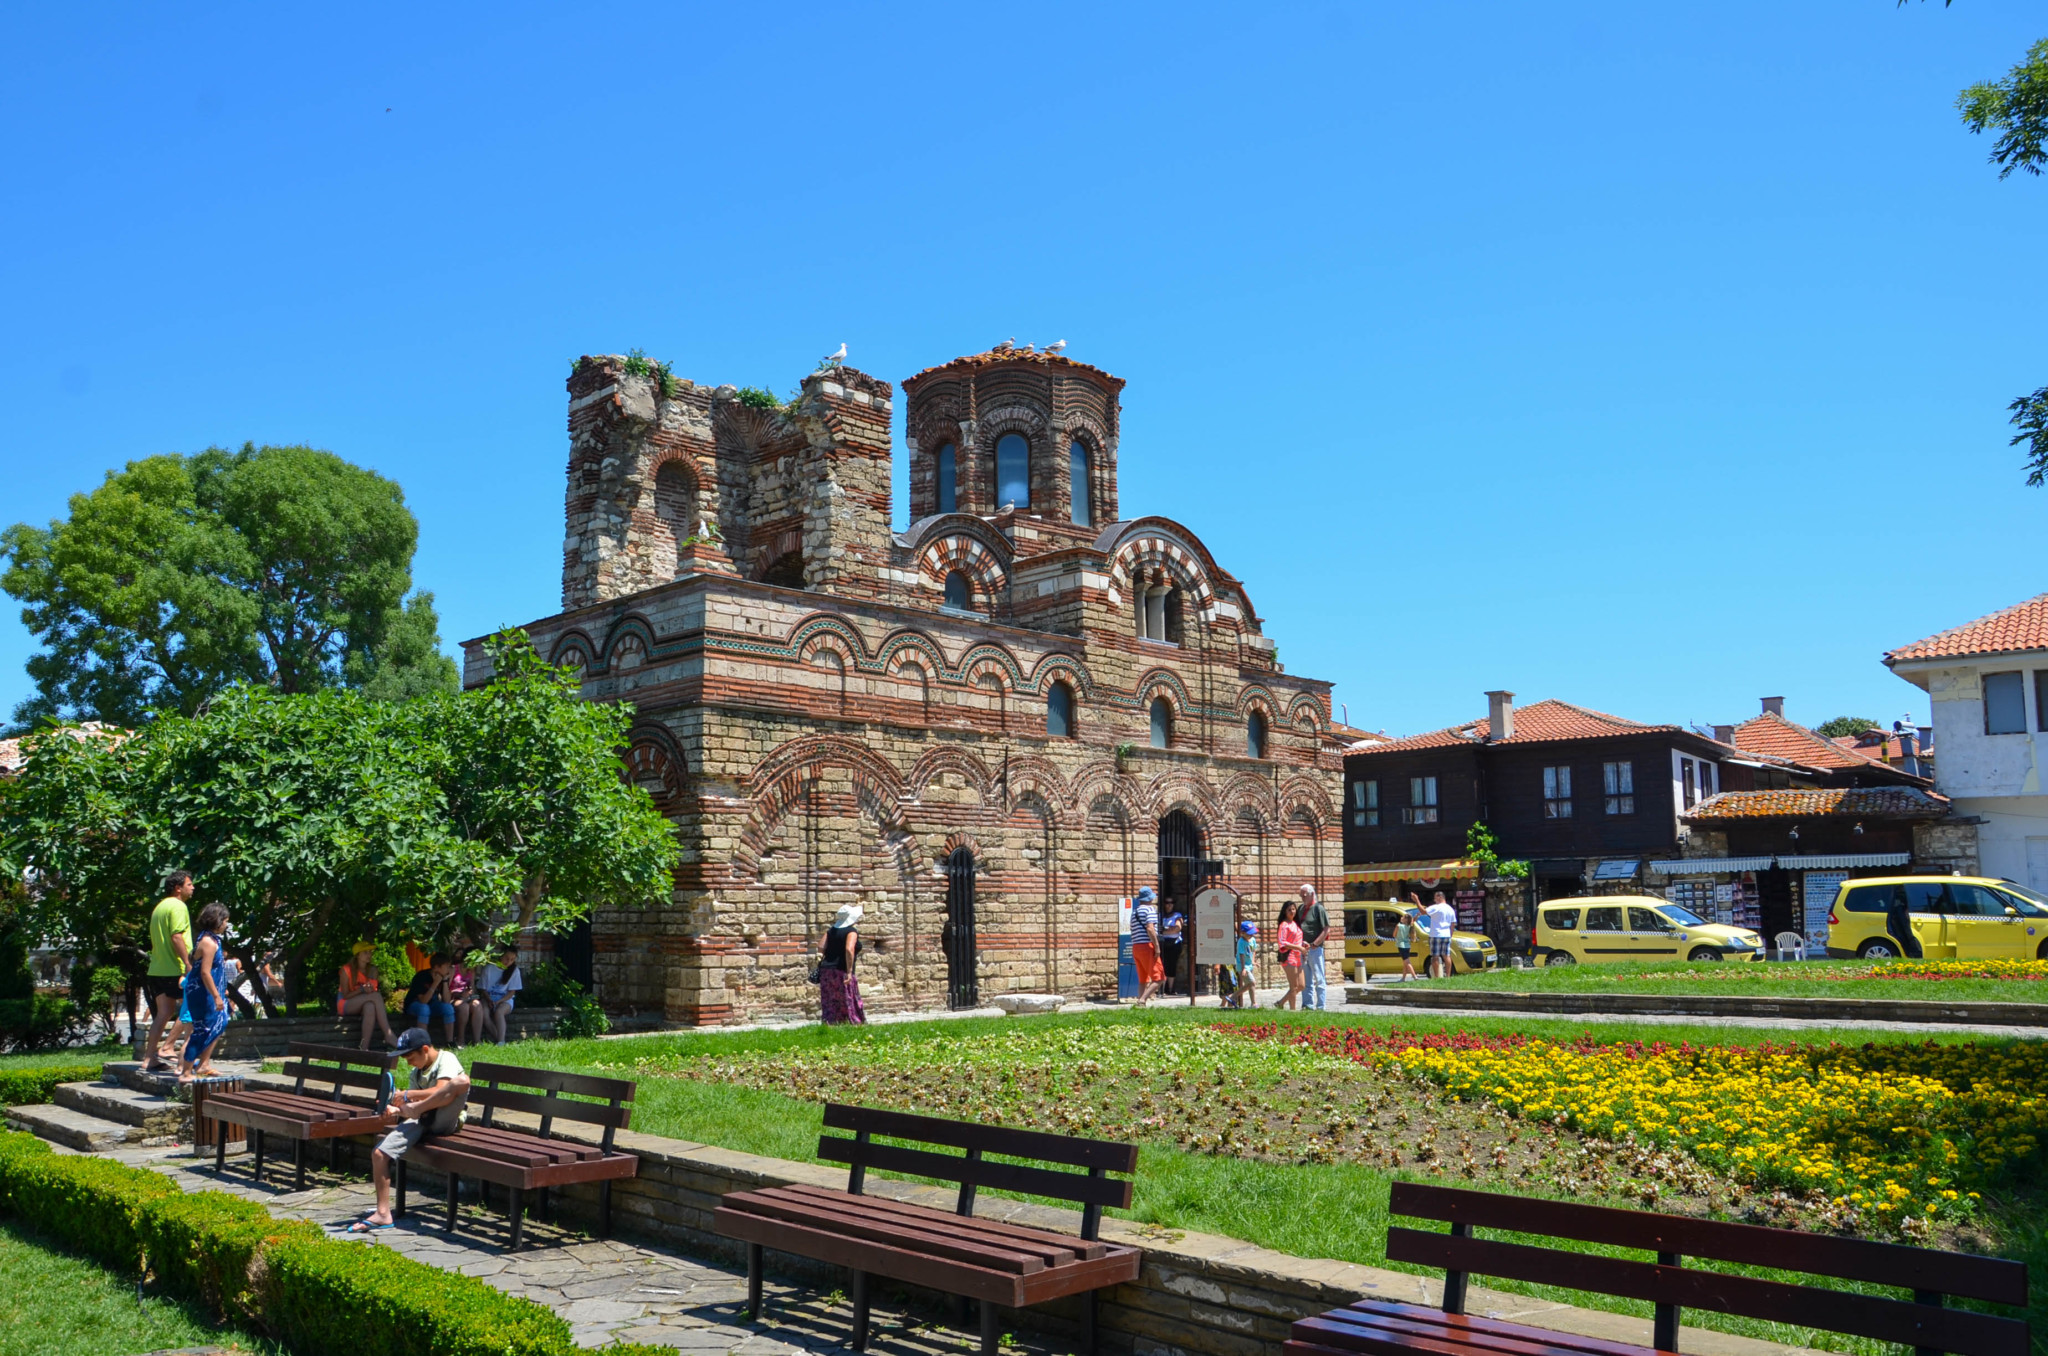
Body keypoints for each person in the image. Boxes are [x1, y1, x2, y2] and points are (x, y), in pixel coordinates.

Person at [352, 1027, 470, 1233]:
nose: (408, 1063)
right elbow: (411, 1107)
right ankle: (382, 1213)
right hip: (423, 1119)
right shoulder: (417, 1073)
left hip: (446, 1120)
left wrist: (408, 1097)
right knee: (379, 1154)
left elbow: (442, 1091)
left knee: (461, 1081)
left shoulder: (446, 1059)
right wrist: (396, 1111)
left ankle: (416, 1110)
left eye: (410, 1057)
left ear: (425, 1049)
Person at [142, 872, 196, 1073]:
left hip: (157, 968)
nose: (193, 888)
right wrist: (187, 964)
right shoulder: (178, 906)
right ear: (178, 888)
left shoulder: (160, 907)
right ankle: (168, 1047)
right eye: (189, 884)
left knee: (163, 1013)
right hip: (175, 968)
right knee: (193, 1007)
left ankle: (149, 1058)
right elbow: (176, 936)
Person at [179, 903, 232, 1083]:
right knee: (202, 1029)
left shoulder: (214, 939)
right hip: (203, 993)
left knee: (221, 1022)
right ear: (217, 920)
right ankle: (186, 1071)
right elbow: (204, 972)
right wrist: (216, 996)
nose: (226, 925)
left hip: (213, 991)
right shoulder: (208, 942)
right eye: (225, 921)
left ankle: (203, 1064)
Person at [338, 942, 395, 1049]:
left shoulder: (373, 970)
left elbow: (372, 990)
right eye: (365, 952)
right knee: (376, 997)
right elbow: (345, 995)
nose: (369, 955)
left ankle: (364, 1046)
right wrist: (362, 989)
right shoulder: (346, 970)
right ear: (358, 955)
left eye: (370, 952)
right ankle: (388, 1034)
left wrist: (366, 990)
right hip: (346, 1003)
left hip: (365, 1000)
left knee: (370, 1006)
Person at [818, 903, 867, 1025]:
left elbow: (820, 947)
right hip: (841, 970)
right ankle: (852, 1022)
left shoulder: (831, 931)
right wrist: (849, 971)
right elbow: (849, 949)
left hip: (827, 970)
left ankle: (831, 1022)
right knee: (847, 998)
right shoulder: (851, 931)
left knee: (831, 999)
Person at [403, 951, 457, 1046]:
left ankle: (450, 1041)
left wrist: (445, 982)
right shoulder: (421, 976)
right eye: (447, 966)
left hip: (432, 1004)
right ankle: (423, 1043)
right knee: (424, 1008)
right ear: (436, 967)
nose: (449, 969)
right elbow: (423, 1001)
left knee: (448, 1008)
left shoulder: (443, 977)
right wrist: (435, 983)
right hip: (415, 1005)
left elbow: (447, 1001)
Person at [478, 946, 523, 1044]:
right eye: (507, 958)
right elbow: (483, 988)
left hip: (505, 999)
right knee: (484, 1014)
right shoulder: (489, 968)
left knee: (499, 1012)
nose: (508, 962)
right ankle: (498, 1039)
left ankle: (501, 1040)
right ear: (501, 956)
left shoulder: (514, 971)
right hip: (488, 997)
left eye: (512, 959)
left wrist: (499, 1001)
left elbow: (512, 992)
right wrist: (489, 1000)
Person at [1297, 884, 1330, 1011]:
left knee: (1319, 977)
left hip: (1315, 949)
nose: (1302, 898)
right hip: (1303, 949)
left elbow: (1326, 928)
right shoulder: (1301, 909)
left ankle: (1321, 1006)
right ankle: (1307, 1004)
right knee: (1306, 978)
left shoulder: (1318, 909)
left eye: (1304, 895)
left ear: (1311, 894)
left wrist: (1315, 943)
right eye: (1301, 896)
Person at [1130, 888, 1165, 1004]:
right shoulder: (1149, 909)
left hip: (1136, 946)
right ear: (1150, 898)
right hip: (1147, 946)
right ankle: (1142, 999)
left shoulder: (1135, 912)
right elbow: (1150, 928)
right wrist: (1157, 946)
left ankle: (1140, 1006)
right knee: (1159, 977)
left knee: (1143, 979)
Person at [1275, 901, 1305, 1009]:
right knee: (1294, 986)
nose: (1292, 911)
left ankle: (1281, 1003)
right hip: (1289, 956)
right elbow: (1282, 942)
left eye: (1293, 909)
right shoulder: (1284, 925)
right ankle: (1293, 1010)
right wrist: (1299, 948)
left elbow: (1296, 939)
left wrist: (1303, 944)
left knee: (1301, 985)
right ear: (1285, 912)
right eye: (1289, 910)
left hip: (1298, 956)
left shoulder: (1295, 924)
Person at [1885, 885, 1924, 959]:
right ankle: (1915, 952)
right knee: (1908, 935)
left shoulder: (1902, 897)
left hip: (1905, 917)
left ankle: (1914, 952)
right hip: (1902, 918)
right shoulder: (1901, 899)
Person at [1425, 891, 1458, 979]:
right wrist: (1450, 935)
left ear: (1439, 897)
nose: (1434, 900)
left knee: (1435, 956)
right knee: (1446, 955)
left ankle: (1436, 977)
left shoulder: (1436, 907)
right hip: (1446, 934)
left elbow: (1423, 911)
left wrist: (1416, 900)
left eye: (1435, 897)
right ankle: (1447, 976)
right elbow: (1453, 924)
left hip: (1436, 934)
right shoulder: (1450, 909)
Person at [1231, 920, 1259, 1008]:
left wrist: (1253, 961)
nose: (1251, 935)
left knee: (1250, 985)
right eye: (1249, 933)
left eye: (1252, 933)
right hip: (1242, 966)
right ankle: (1235, 997)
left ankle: (1252, 1003)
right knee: (1252, 982)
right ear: (1242, 933)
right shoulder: (1241, 942)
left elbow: (1253, 950)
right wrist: (1243, 968)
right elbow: (1242, 955)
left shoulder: (1252, 940)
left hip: (1249, 965)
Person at [1158, 910, 1186, 996]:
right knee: (1162, 965)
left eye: (1171, 903)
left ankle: (1170, 989)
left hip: (1174, 943)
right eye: (1167, 903)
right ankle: (1162, 989)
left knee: (1172, 965)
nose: (1169, 905)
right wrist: (1170, 929)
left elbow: (1177, 928)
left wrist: (1164, 930)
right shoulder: (1160, 914)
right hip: (1163, 942)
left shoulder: (1177, 915)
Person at [1393, 906, 1419, 982]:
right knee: (1405, 962)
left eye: (1403, 917)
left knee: (1407, 962)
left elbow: (1394, 935)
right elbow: (1413, 920)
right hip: (1407, 945)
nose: (1401, 917)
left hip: (1401, 945)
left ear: (1405, 920)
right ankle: (1403, 978)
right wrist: (1416, 916)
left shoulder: (1398, 925)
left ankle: (1414, 976)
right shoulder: (1409, 926)